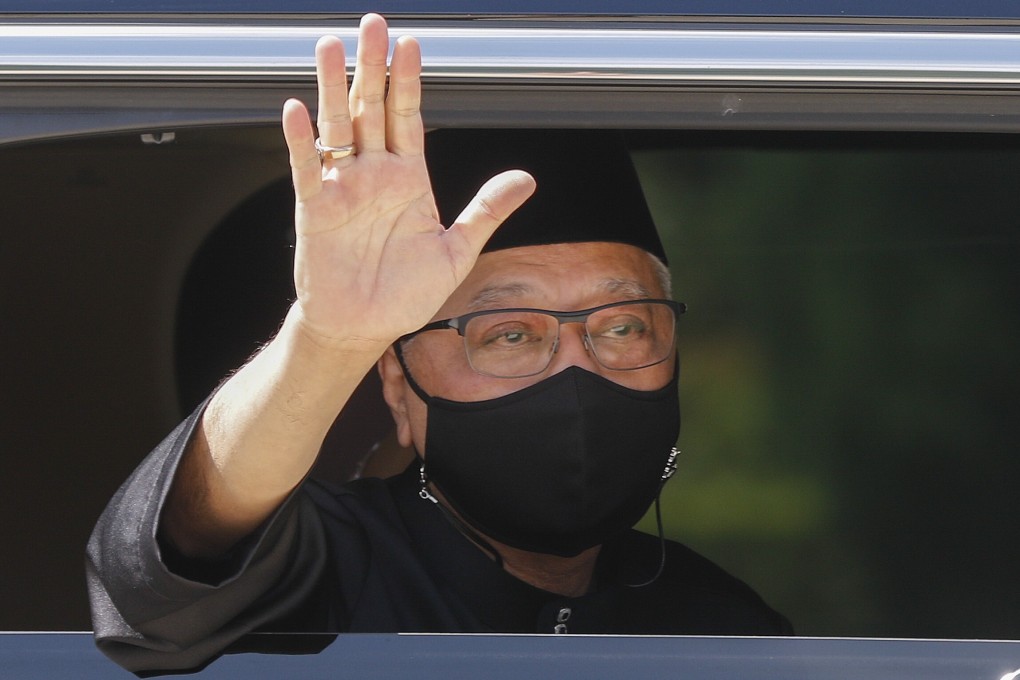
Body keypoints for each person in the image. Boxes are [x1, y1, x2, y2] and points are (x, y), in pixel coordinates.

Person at [86, 13, 791, 675]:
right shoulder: (327, 567)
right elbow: (162, 583)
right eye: (510, 334)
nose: (578, 369)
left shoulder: (724, 628)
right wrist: (330, 339)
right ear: (400, 385)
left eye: (622, 326)